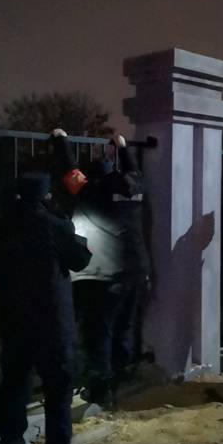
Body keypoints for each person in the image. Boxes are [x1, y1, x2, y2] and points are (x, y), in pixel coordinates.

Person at [0, 172, 91, 444]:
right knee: (58, 391)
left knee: (14, 382)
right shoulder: (56, 226)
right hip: (52, 323)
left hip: (14, 320)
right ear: (45, 196)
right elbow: (81, 261)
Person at [49, 128, 151, 408]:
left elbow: (69, 173)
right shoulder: (136, 186)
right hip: (137, 271)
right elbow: (132, 169)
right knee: (124, 328)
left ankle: (101, 391)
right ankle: (120, 380)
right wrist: (122, 148)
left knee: (100, 331)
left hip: (108, 275)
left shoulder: (93, 191)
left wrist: (60, 140)